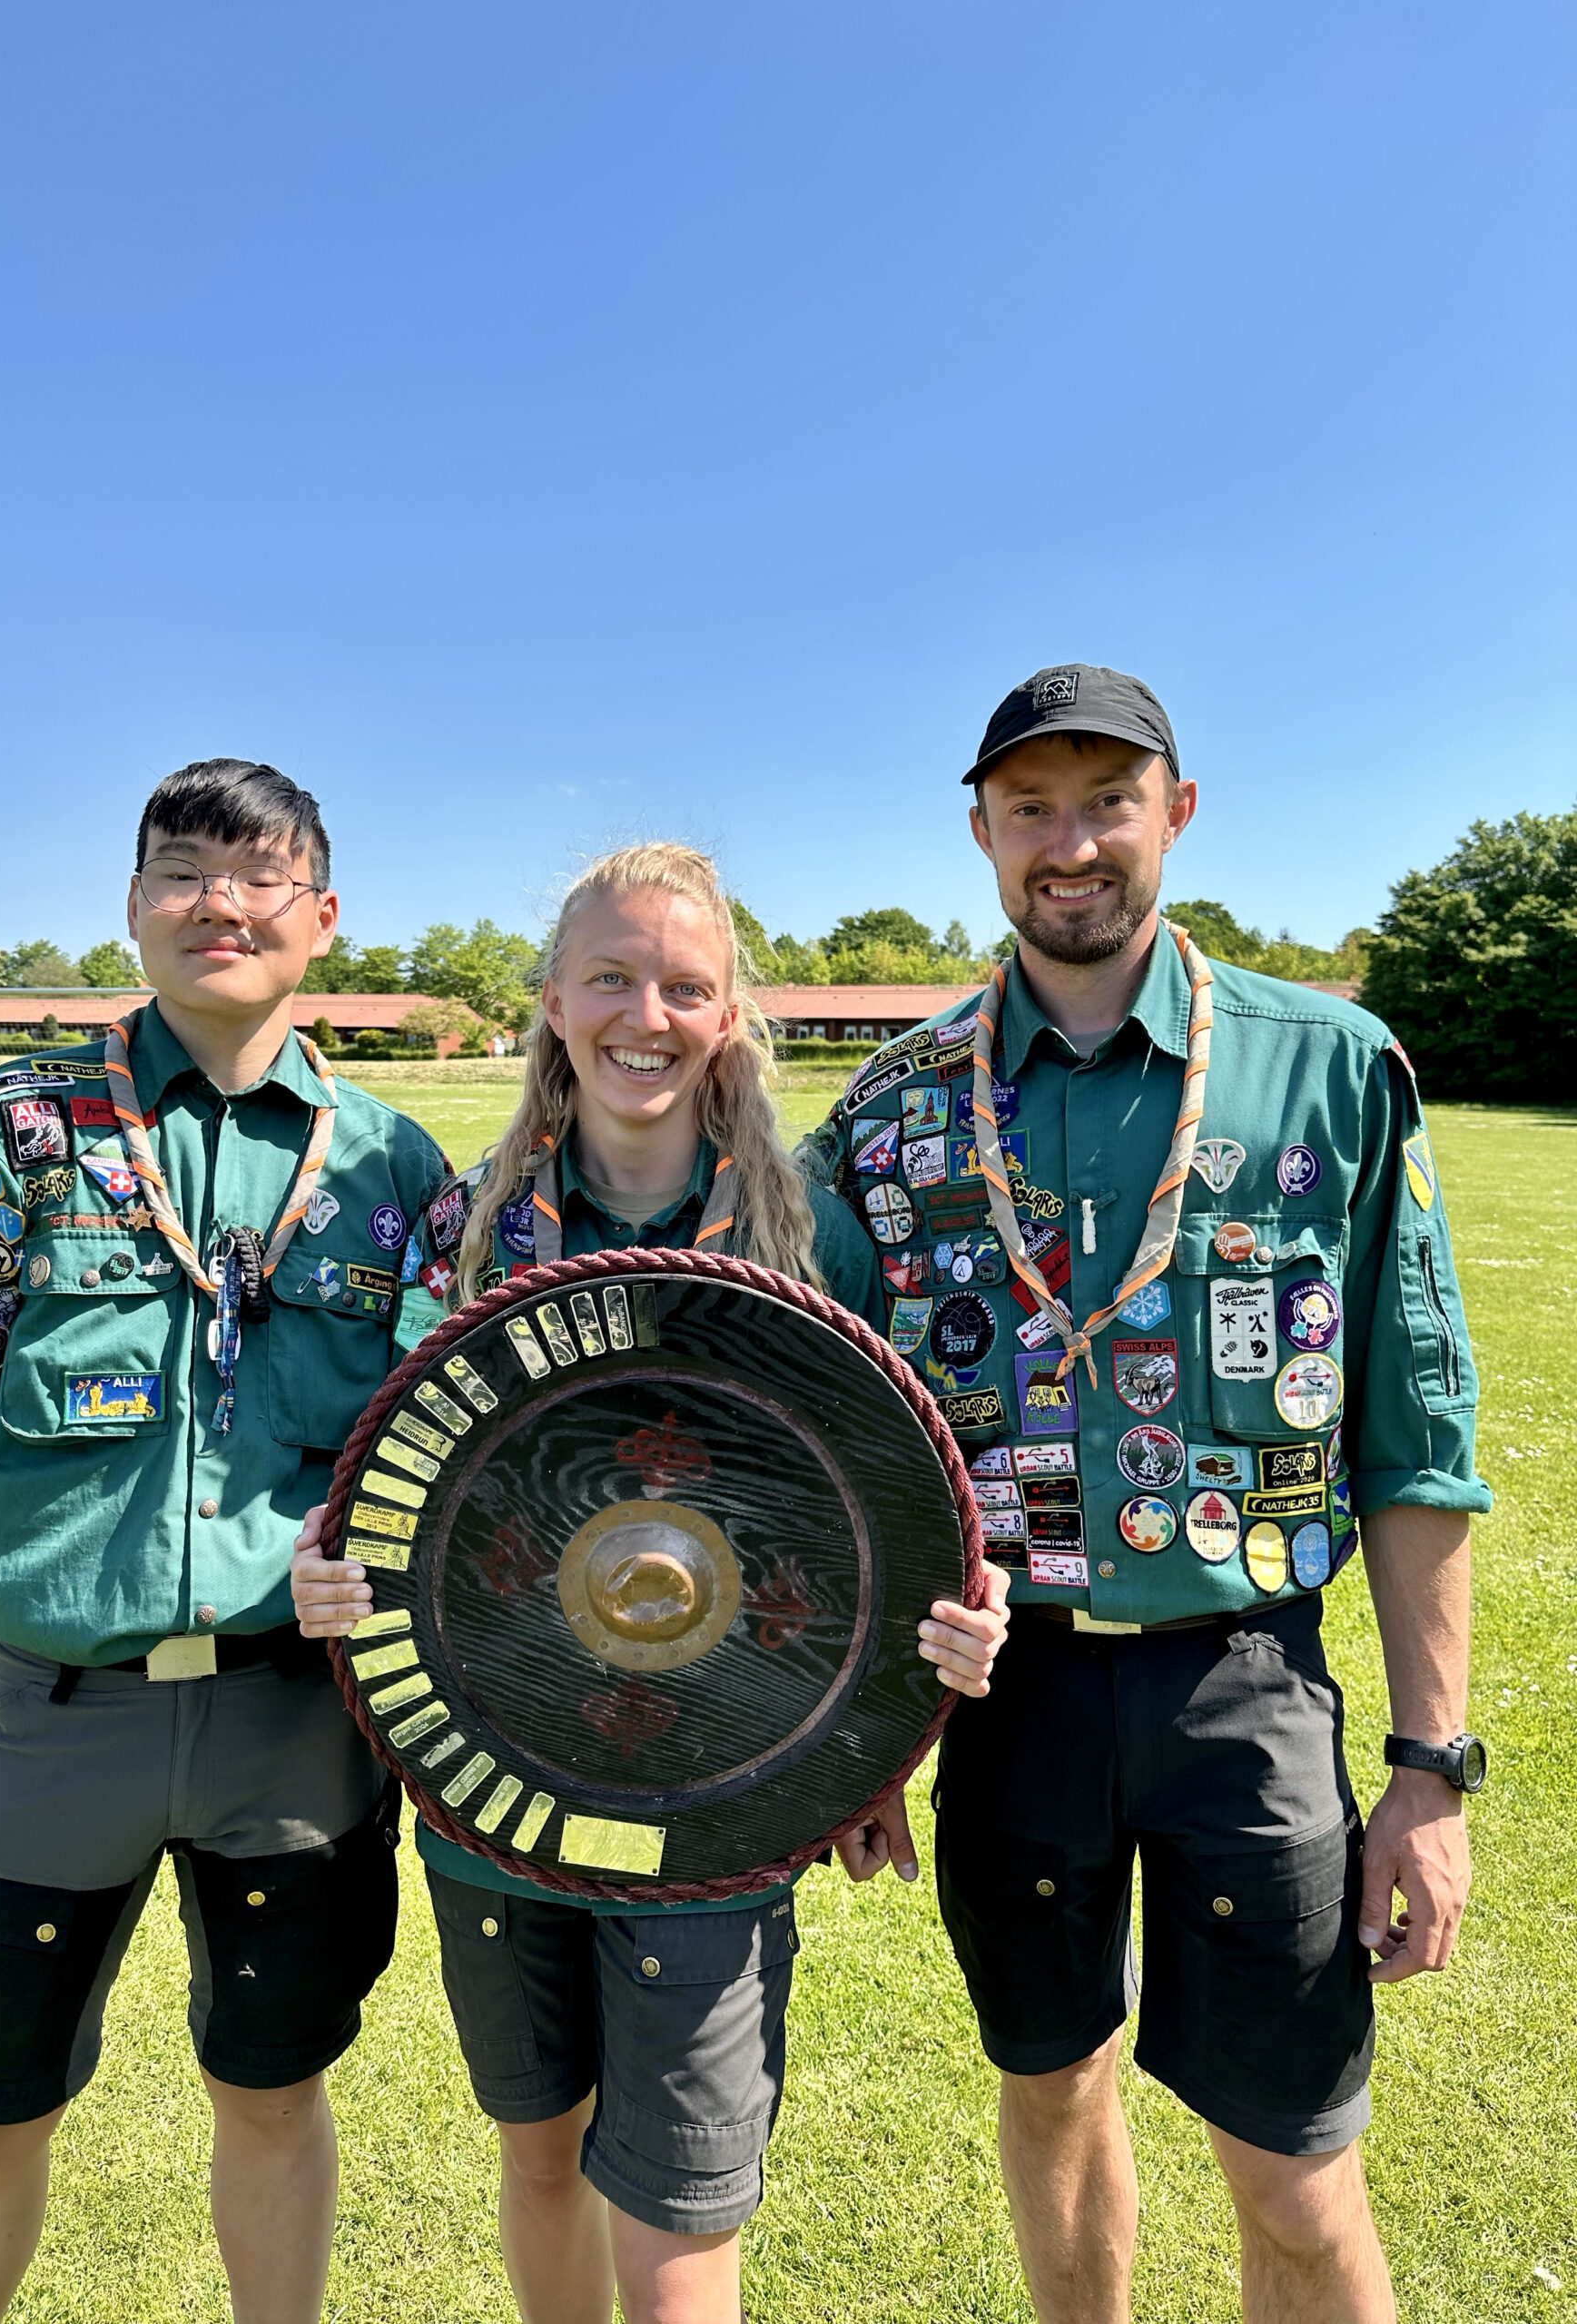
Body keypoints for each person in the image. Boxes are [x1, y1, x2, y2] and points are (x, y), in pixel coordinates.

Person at [799, 666, 1490, 2324]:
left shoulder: (1328, 1069)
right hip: (1007, 1689)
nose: (1070, 843)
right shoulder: (892, 1116)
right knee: (1051, 2091)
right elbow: (834, 1453)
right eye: (1030, 806)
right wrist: (855, 1730)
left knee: (1298, 2168)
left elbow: (1418, 1438)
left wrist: (1430, 1768)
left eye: (1106, 797)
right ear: (980, 832)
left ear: (1177, 812)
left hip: (1241, 1678)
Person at [291, 842, 1009, 2324]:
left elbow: (886, 1525)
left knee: (683, 2218)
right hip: (499, 1794)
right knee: (540, 2152)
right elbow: (390, 1504)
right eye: (610, 976)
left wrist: (883, 1725)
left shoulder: (809, 1246)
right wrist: (330, 1579)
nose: (645, 1014)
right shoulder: (464, 1233)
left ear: (730, 1013)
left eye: (685, 985)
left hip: (719, 1801)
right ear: (552, 1000)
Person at [0, 759, 449, 2324]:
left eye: (262, 876)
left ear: (321, 919)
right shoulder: (5, 1132)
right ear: (133, 907)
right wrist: (100, 1576)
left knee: (273, 2094)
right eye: (184, 870)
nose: (221, 902)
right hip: (55, 1722)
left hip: (294, 1726)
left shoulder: (398, 1174)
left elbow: (431, 1445)